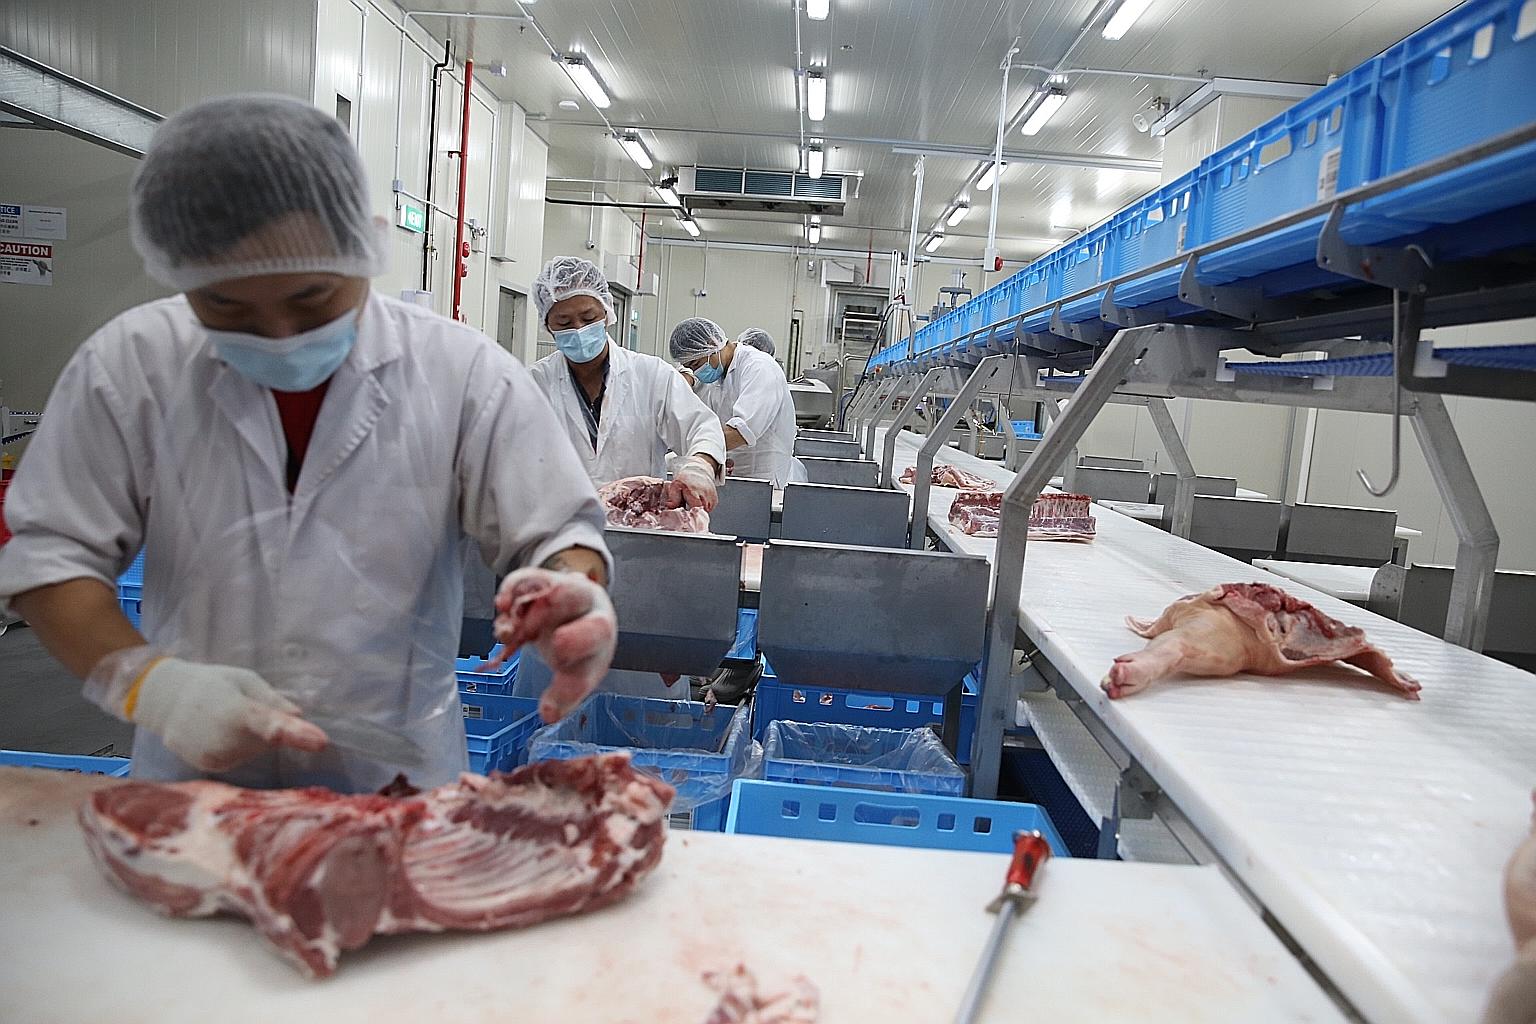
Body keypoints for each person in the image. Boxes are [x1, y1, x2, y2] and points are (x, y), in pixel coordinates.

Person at [0, 95, 617, 793]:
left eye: (313, 298)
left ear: (366, 248)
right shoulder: (130, 367)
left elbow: (556, 529)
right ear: (180, 274)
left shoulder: (463, 374)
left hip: (397, 783)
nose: (281, 334)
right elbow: (50, 559)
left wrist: (572, 590)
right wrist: (154, 689)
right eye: (228, 307)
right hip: (188, 788)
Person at [527, 257, 724, 507]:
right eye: (564, 323)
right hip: (560, 528)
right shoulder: (533, 384)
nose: (578, 330)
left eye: (588, 319)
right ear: (547, 325)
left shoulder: (651, 375)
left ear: (607, 313)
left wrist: (699, 465)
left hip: (640, 523)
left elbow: (702, 427)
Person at [670, 317, 799, 488]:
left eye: (696, 364)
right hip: (733, 475)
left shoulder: (758, 367)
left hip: (763, 480)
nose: (697, 371)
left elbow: (741, 432)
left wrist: (696, 452)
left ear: (711, 343)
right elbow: (685, 380)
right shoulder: (718, 372)